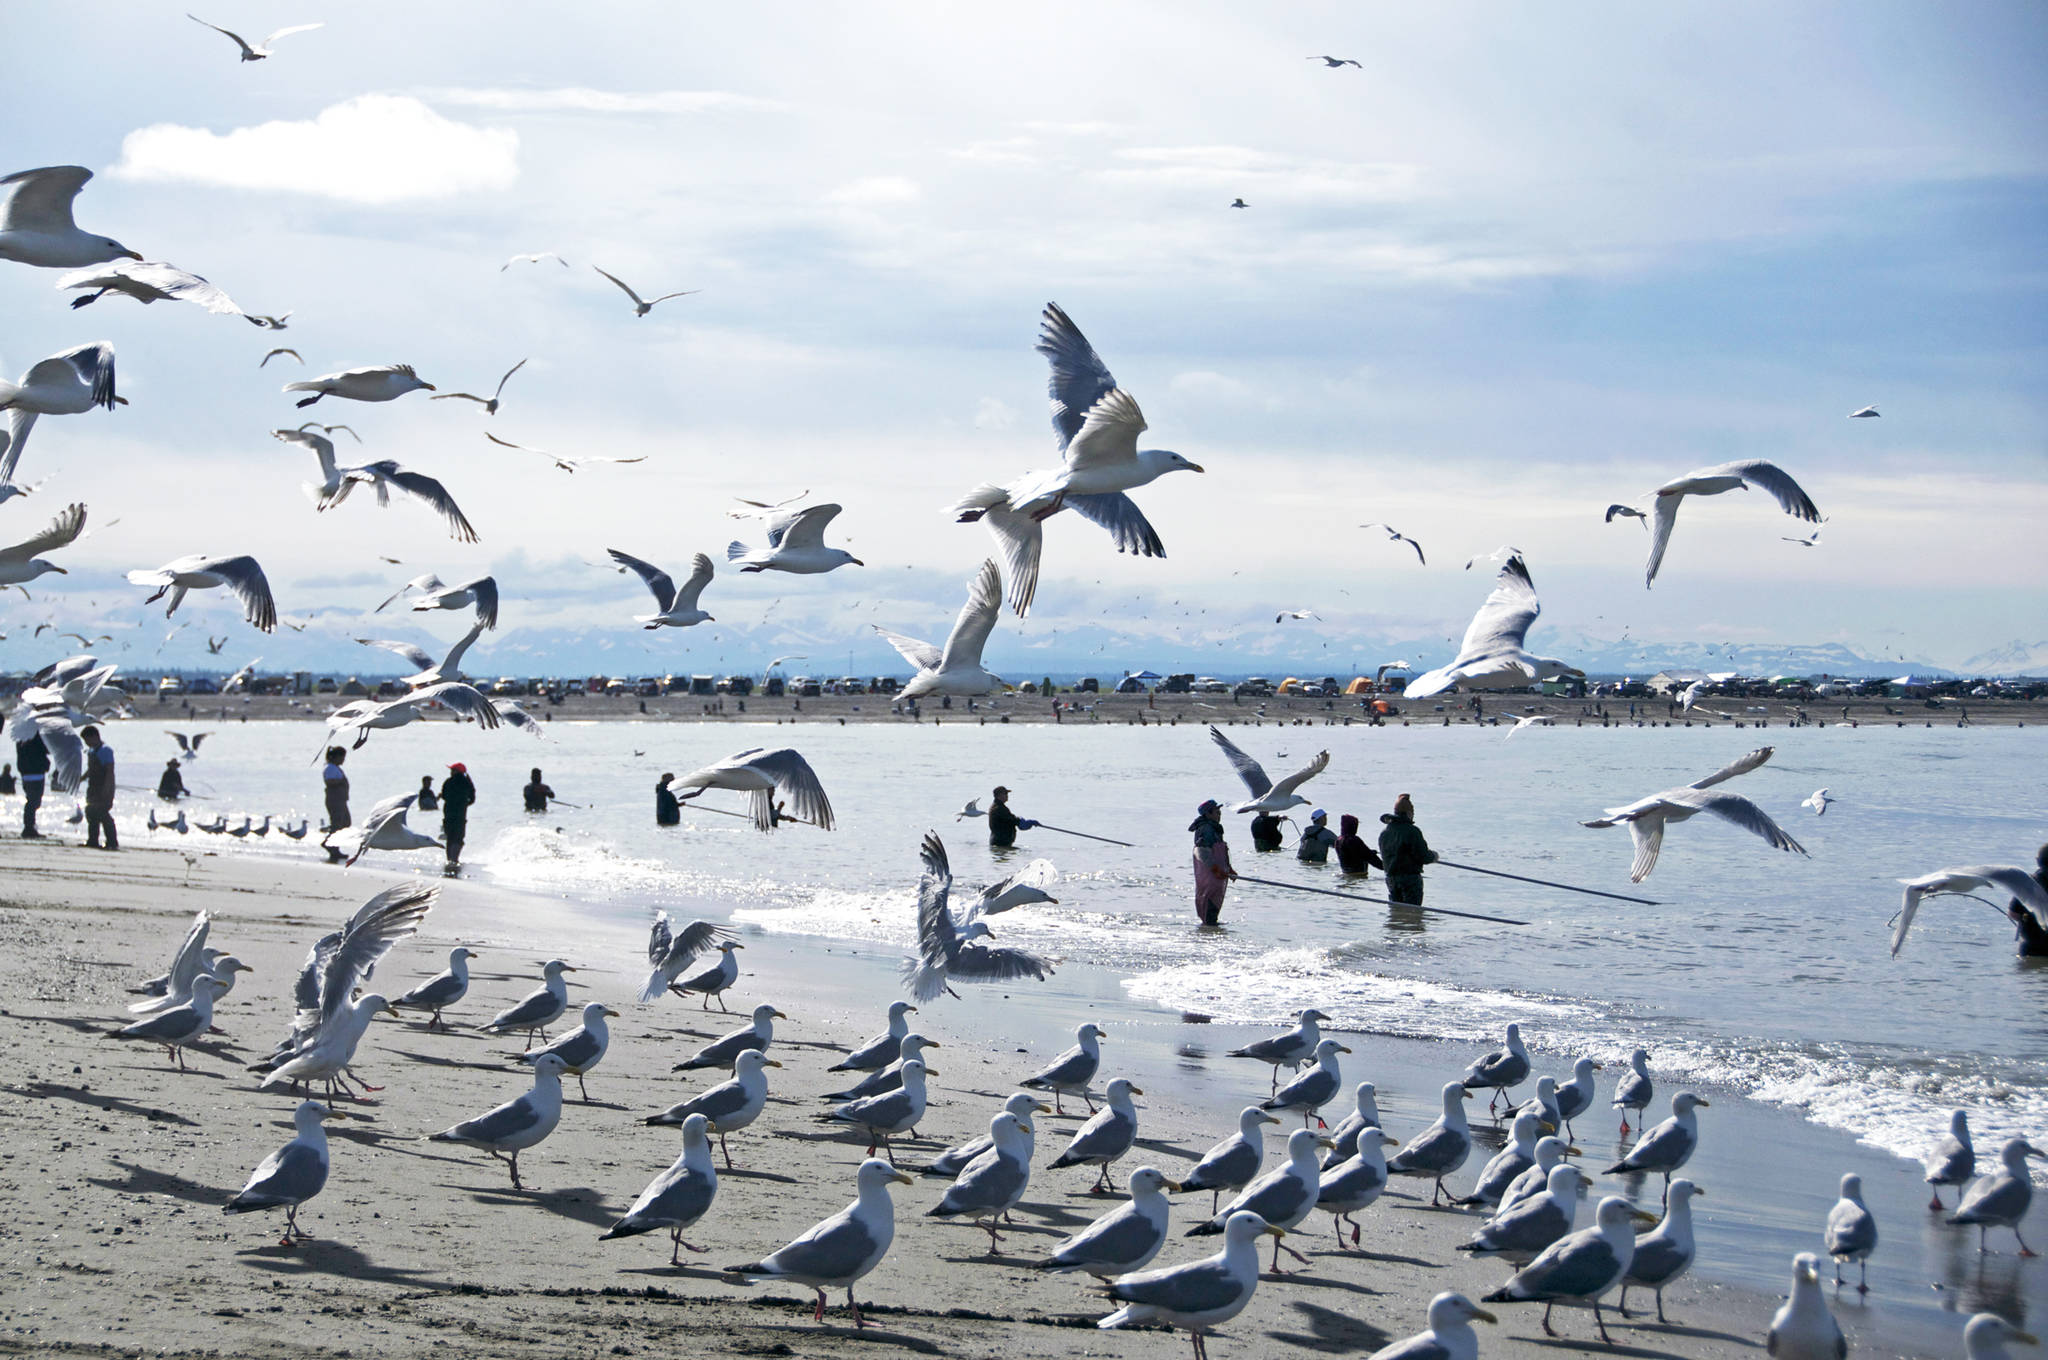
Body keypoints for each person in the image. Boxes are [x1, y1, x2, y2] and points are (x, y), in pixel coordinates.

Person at [1378, 793, 1438, 906]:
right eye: (1413, 812)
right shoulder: (1412, 831)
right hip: (1410, 879)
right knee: (1413, 912)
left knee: (1396, 911)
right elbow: (1423, 856)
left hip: (1391, 878)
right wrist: (1434, 856)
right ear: (1408, 813)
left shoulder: (1384, 832)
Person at [1190, 798, 1237, 927]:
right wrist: (1215, 869)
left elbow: (1221, 852)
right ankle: (1209, 930)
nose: (1219, 814)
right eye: (1216, 812)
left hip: (1219, 876)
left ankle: (1209, 930)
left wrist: (1229, 869)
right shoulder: (1206, 829)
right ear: (1208, 814)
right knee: (1209, 903)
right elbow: (1201, 852)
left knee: (1214, 906)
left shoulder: (1214, 828)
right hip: (1210, 876)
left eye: (1219, 811)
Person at [80, 725, 117, 850]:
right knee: (90, 812)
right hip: (93, 787)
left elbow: (109, 771)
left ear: (94, 737)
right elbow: (91, 769)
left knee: (103, 813)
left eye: (87, 740)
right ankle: (92, 840)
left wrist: (107, 789)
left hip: (104, 786)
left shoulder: (106, 750)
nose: (87, 743)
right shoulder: (91, 751)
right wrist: (81, 778)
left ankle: (112, 842)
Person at [439, 762, 476, 868]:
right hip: (460, 814)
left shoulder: (448, 782)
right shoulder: (466, 782)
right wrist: (466, 804)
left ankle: (449, 860)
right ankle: (455, 859)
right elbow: (472, 798)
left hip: (448, 813)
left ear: (456, 771)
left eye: (452, 770)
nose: (451, 772)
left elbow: (444, 795)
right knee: (458, 838)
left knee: (450, 837)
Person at [15, 733, 49, 838]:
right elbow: (47, 749)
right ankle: (29, 828)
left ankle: (29, 827)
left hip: (26, 772)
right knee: (34, 801)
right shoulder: (36, 736)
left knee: (32, 801)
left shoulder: (21, 735)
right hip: (36, 772)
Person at [321, 746, 350, 863]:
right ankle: (331, 845)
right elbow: (329, 781)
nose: (343, 760)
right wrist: (341, 782)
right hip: (335, 800)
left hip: (340, 800)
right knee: (337, 824)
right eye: (342, 757)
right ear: (336, 757)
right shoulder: (330, 768)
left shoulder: (335, 768)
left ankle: (333, 845)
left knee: (345, 823)